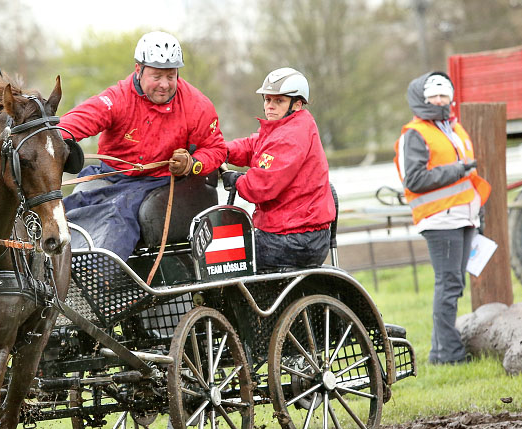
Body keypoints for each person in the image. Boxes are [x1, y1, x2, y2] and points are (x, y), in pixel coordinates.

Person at [59, 31, 229, 260]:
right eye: (157, 76)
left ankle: (100, 272)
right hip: (112, 176)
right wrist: (51, 137)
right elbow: (81, 119)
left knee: (117, 212)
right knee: (65, 208)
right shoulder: (118, 98)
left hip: (159, 182)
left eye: (171, 76)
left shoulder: (197, 105)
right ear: (138, 70)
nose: (165, 85)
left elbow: (216, 149)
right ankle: (57, 266)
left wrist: (193, 163)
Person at [394, 71, 490, 365]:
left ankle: (440, 352)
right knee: (448, 286)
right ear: (422, 99)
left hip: (463, 217)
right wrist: (457, 170)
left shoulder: (454, 128)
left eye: (443, 95)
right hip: (440, 220)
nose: (439, 100)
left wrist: (477, 210)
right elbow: (414, 179)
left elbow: (468, 176)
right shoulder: (415, 133)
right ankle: (449, 354)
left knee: (453, 285)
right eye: (433, 95)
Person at [220, 68, 336, 271]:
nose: (270, 106)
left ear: (297, 104)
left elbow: (260, 187)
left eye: (279, 101)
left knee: (224, 255)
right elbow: (254, 146)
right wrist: (220, 150)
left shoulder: (290, 136)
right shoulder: (287, 127)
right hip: (298, 234)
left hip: (294, 238)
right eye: (267, 99)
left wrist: (237, 180)